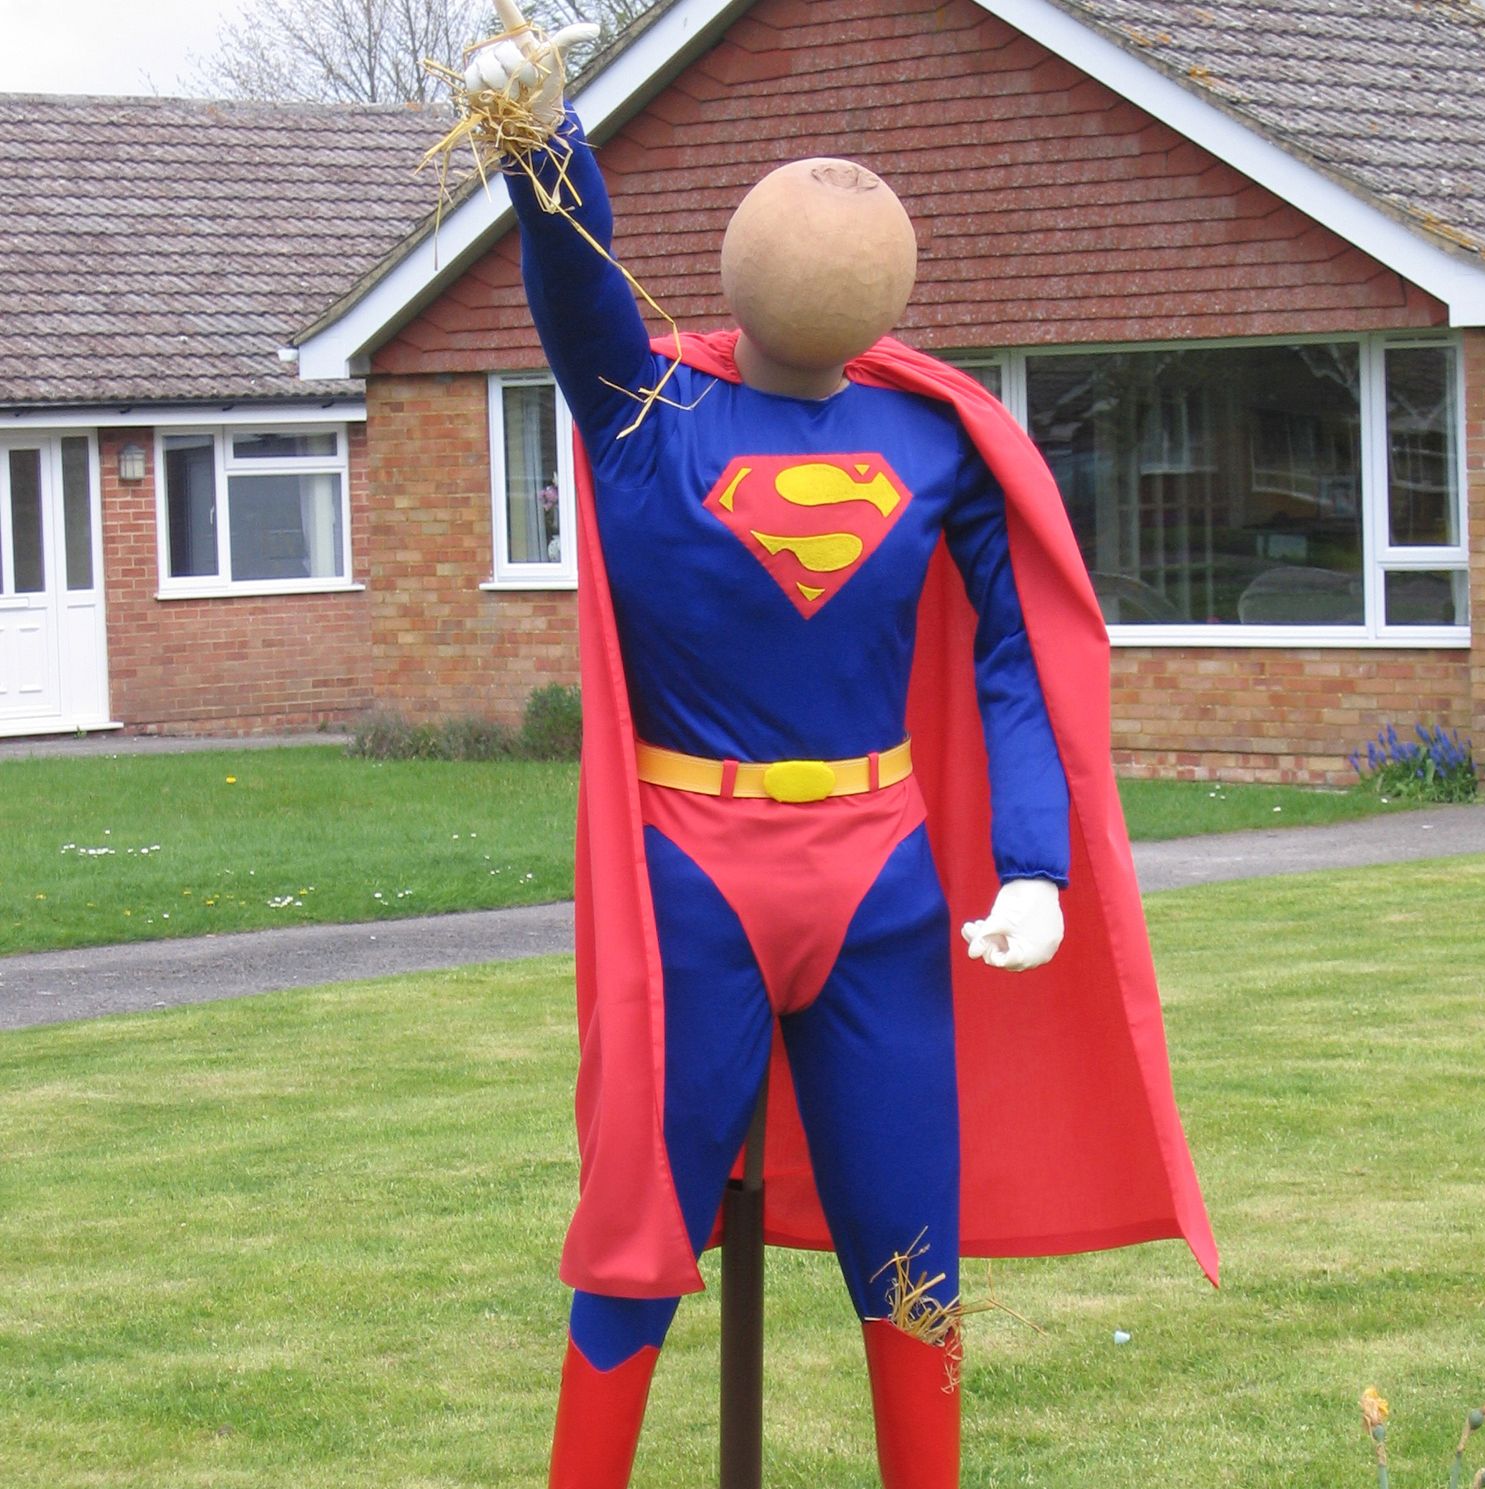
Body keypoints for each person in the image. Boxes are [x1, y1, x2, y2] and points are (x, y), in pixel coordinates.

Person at [466, 8, 1215, 1486]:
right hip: (697, 872)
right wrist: (537, 140)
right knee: (636, 1219)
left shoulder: (926, 443)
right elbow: (575, 277)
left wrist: (1031, 860)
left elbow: (1014, 656)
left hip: (880, 878)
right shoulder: (646, 414)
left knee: (905, 1224)